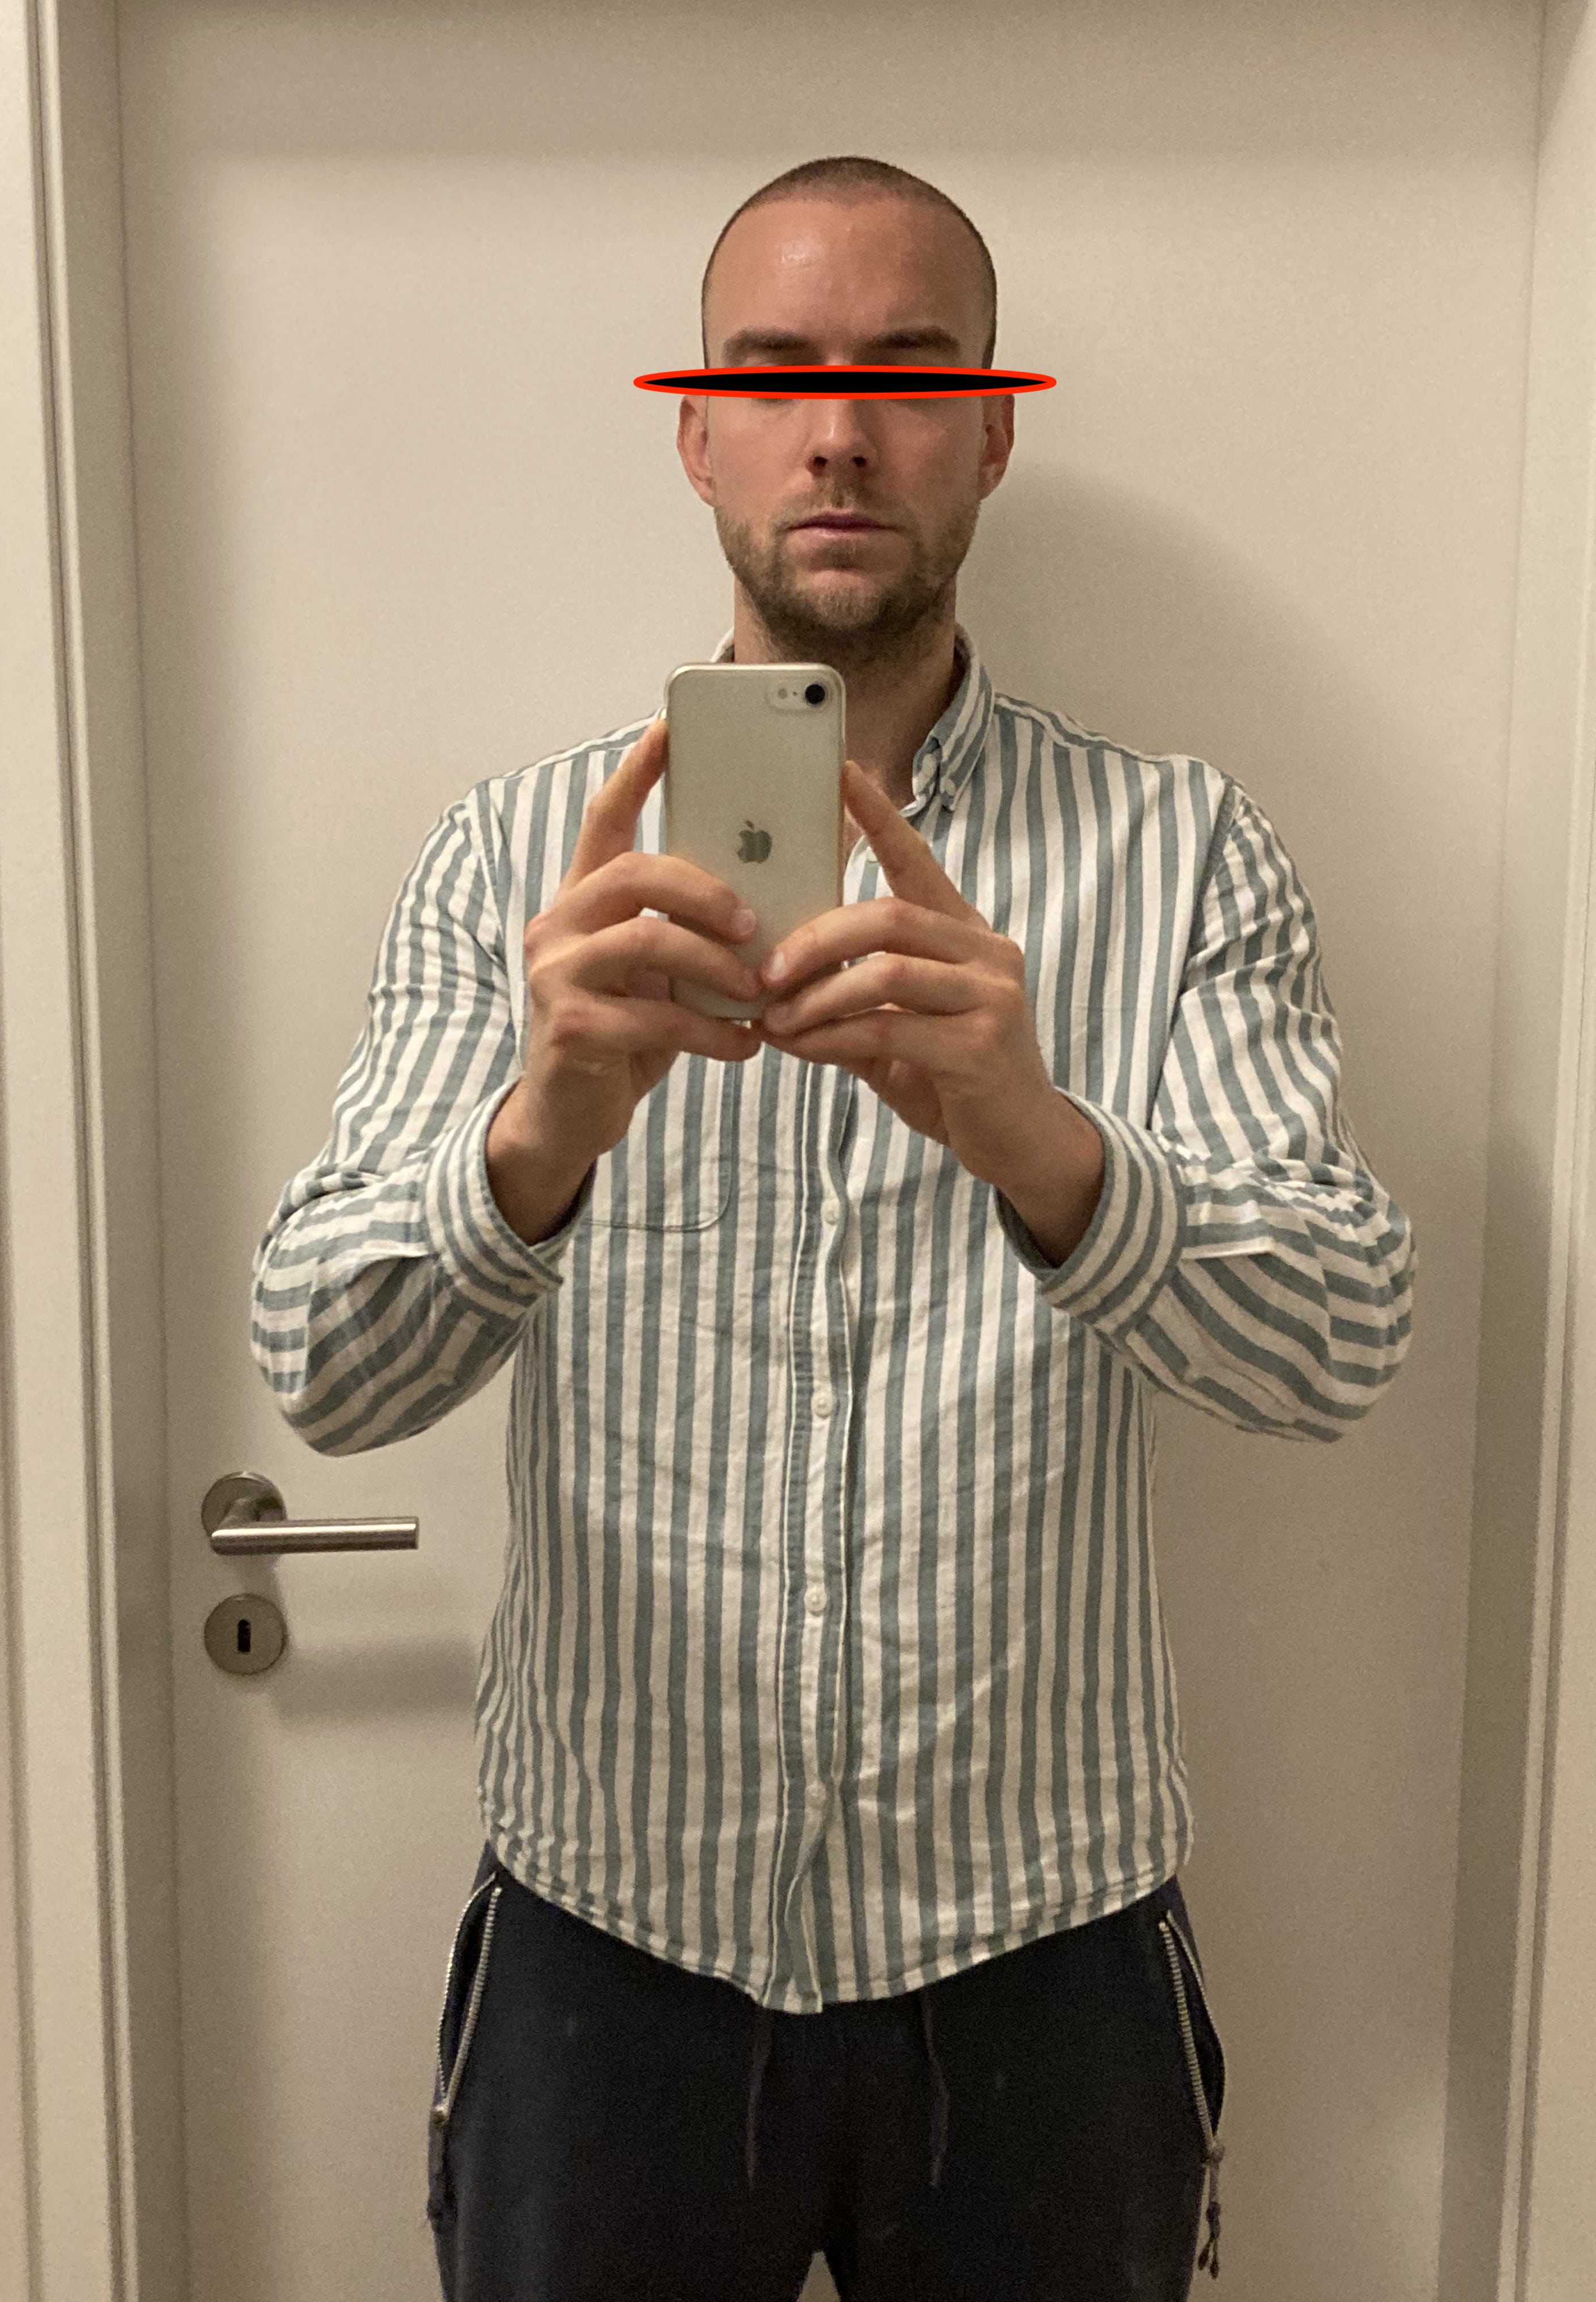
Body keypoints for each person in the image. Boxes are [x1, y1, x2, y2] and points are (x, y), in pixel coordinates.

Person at [250, 154, 1416, 2302]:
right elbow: (322, 1363)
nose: (842, 429)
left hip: (1044, 1953)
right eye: (774, 372)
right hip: (609, 1949)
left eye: (909, 371)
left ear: (992, 431)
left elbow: (1341, 1339)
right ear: (696, 433)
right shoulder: (517, 862)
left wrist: (1048, 1148)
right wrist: (540, 1136)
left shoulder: (1183, 852)